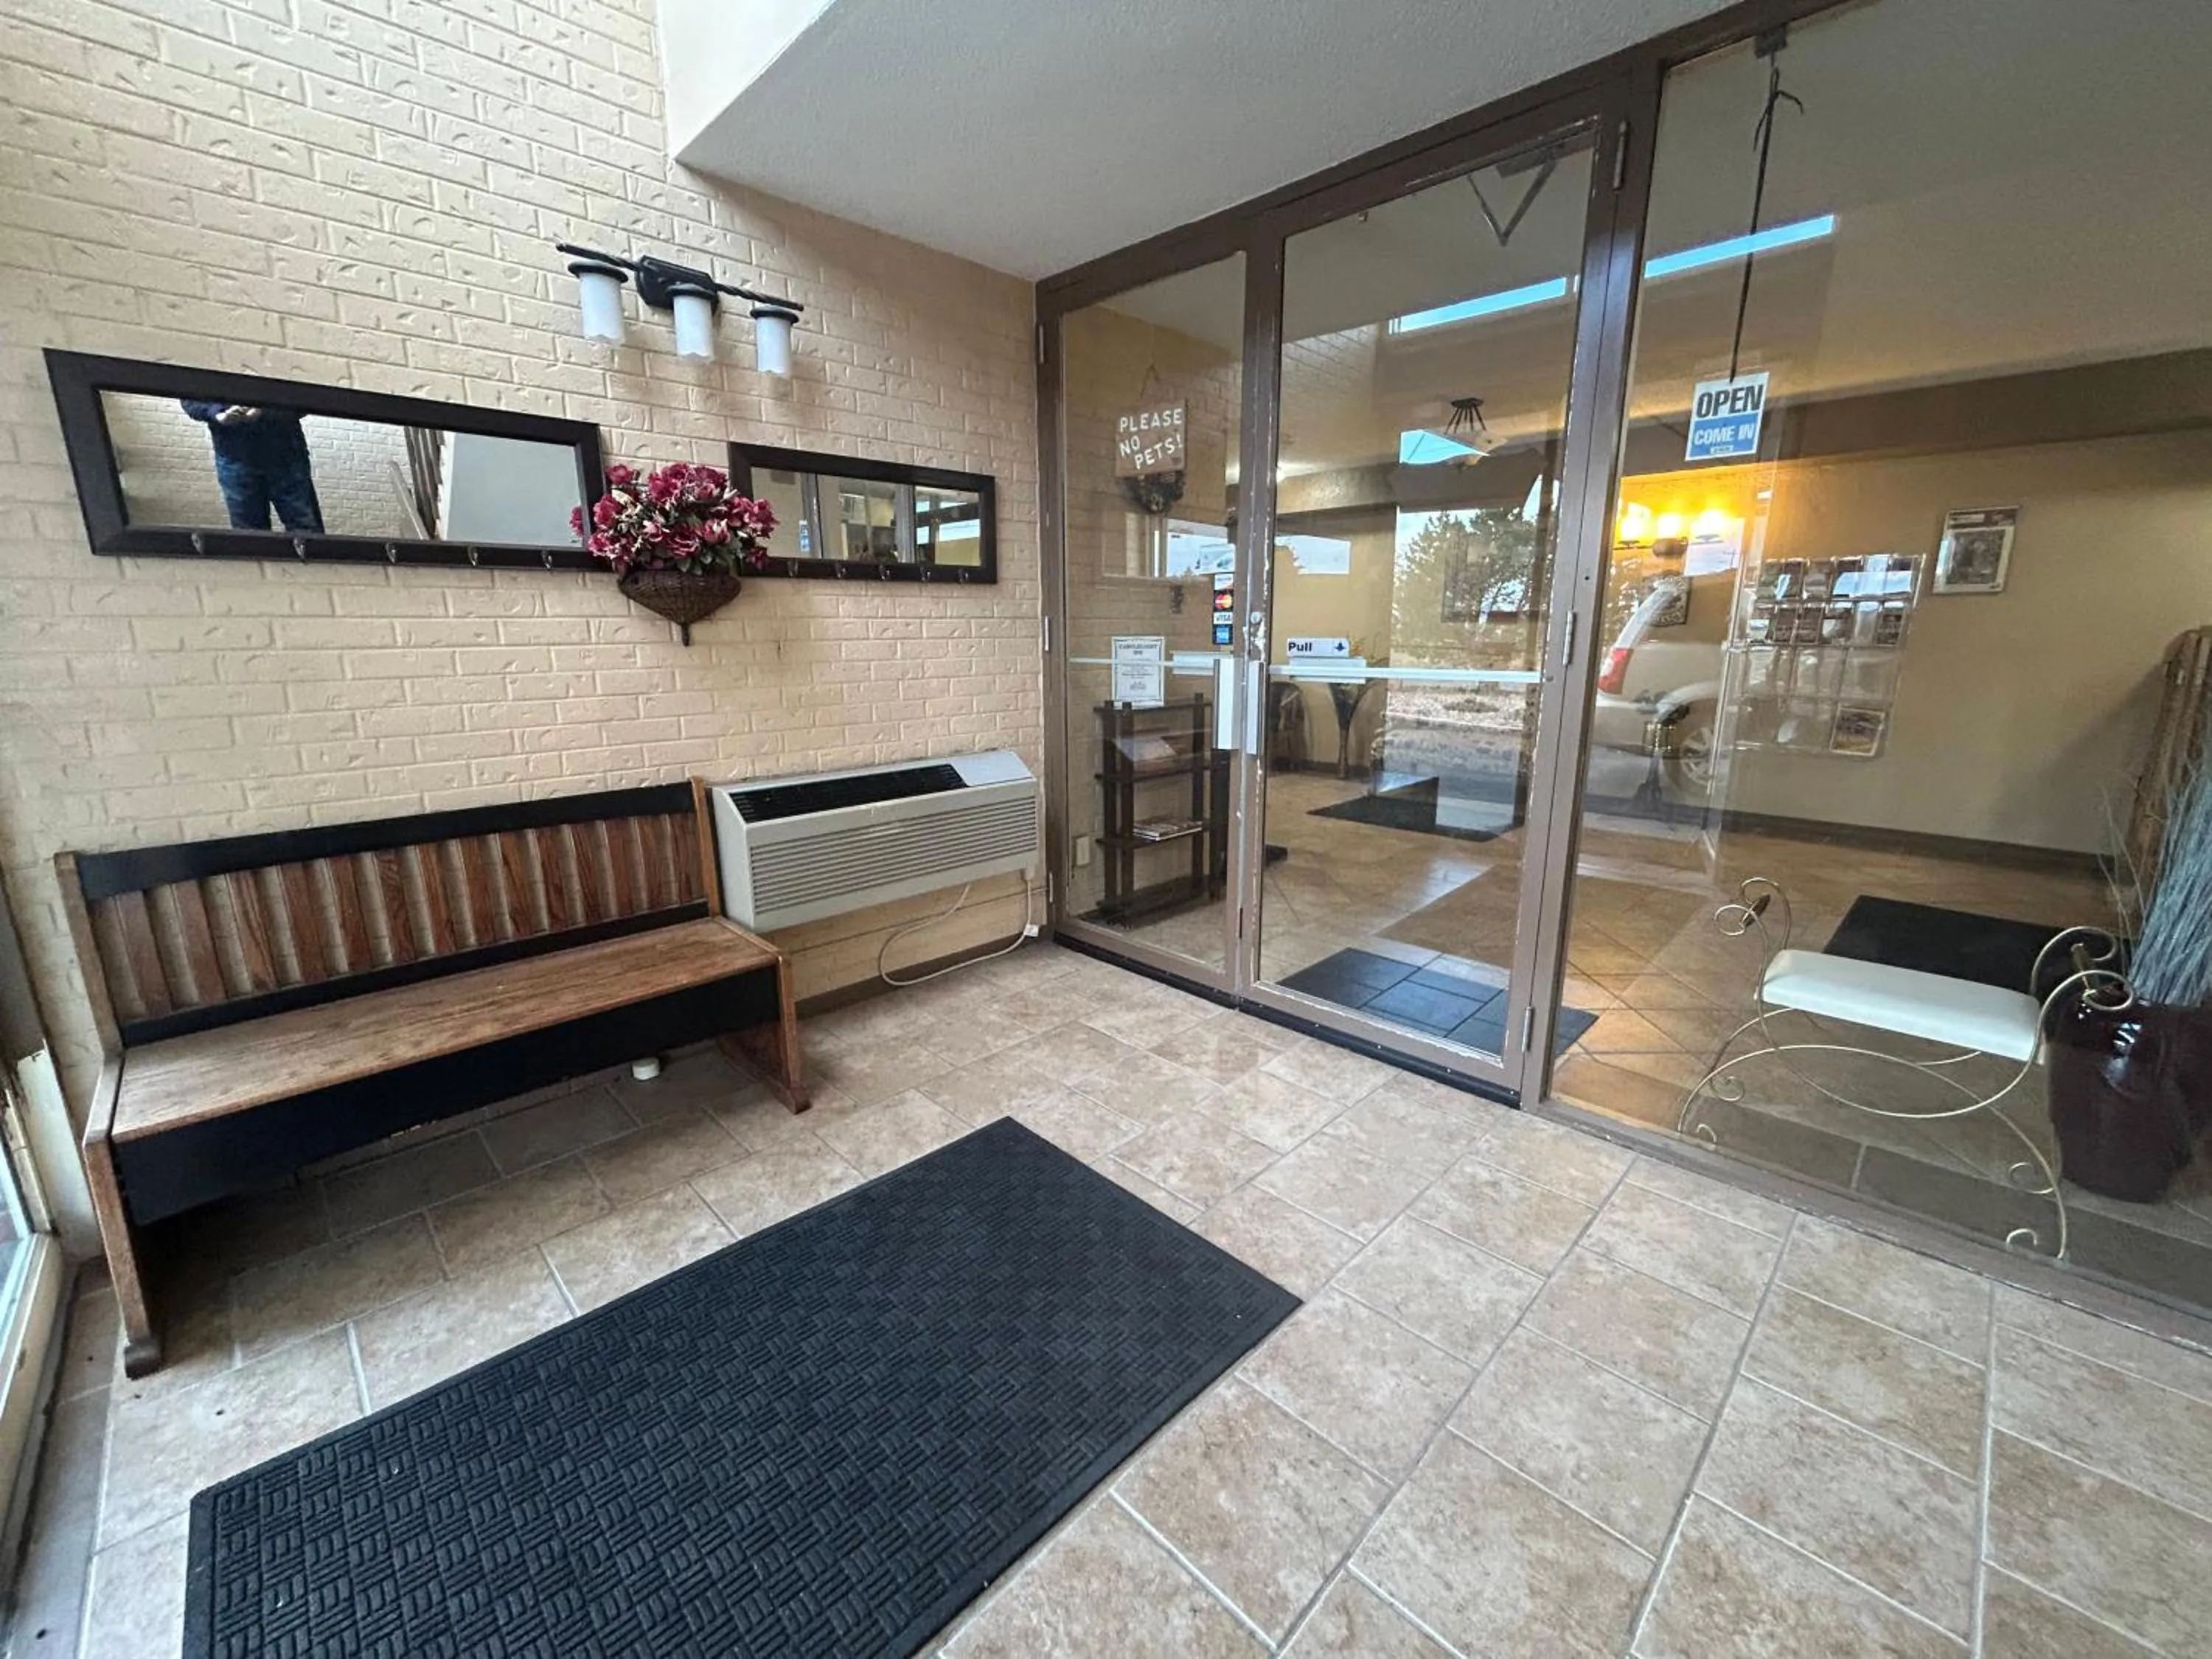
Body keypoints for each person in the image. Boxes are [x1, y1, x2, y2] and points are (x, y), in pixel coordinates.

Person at [181, 400, 325, 532]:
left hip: (262, 452)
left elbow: (303, 398)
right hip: (266, 451)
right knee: (302, 527)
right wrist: (217, 412)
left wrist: (218, 412)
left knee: (253, 533)